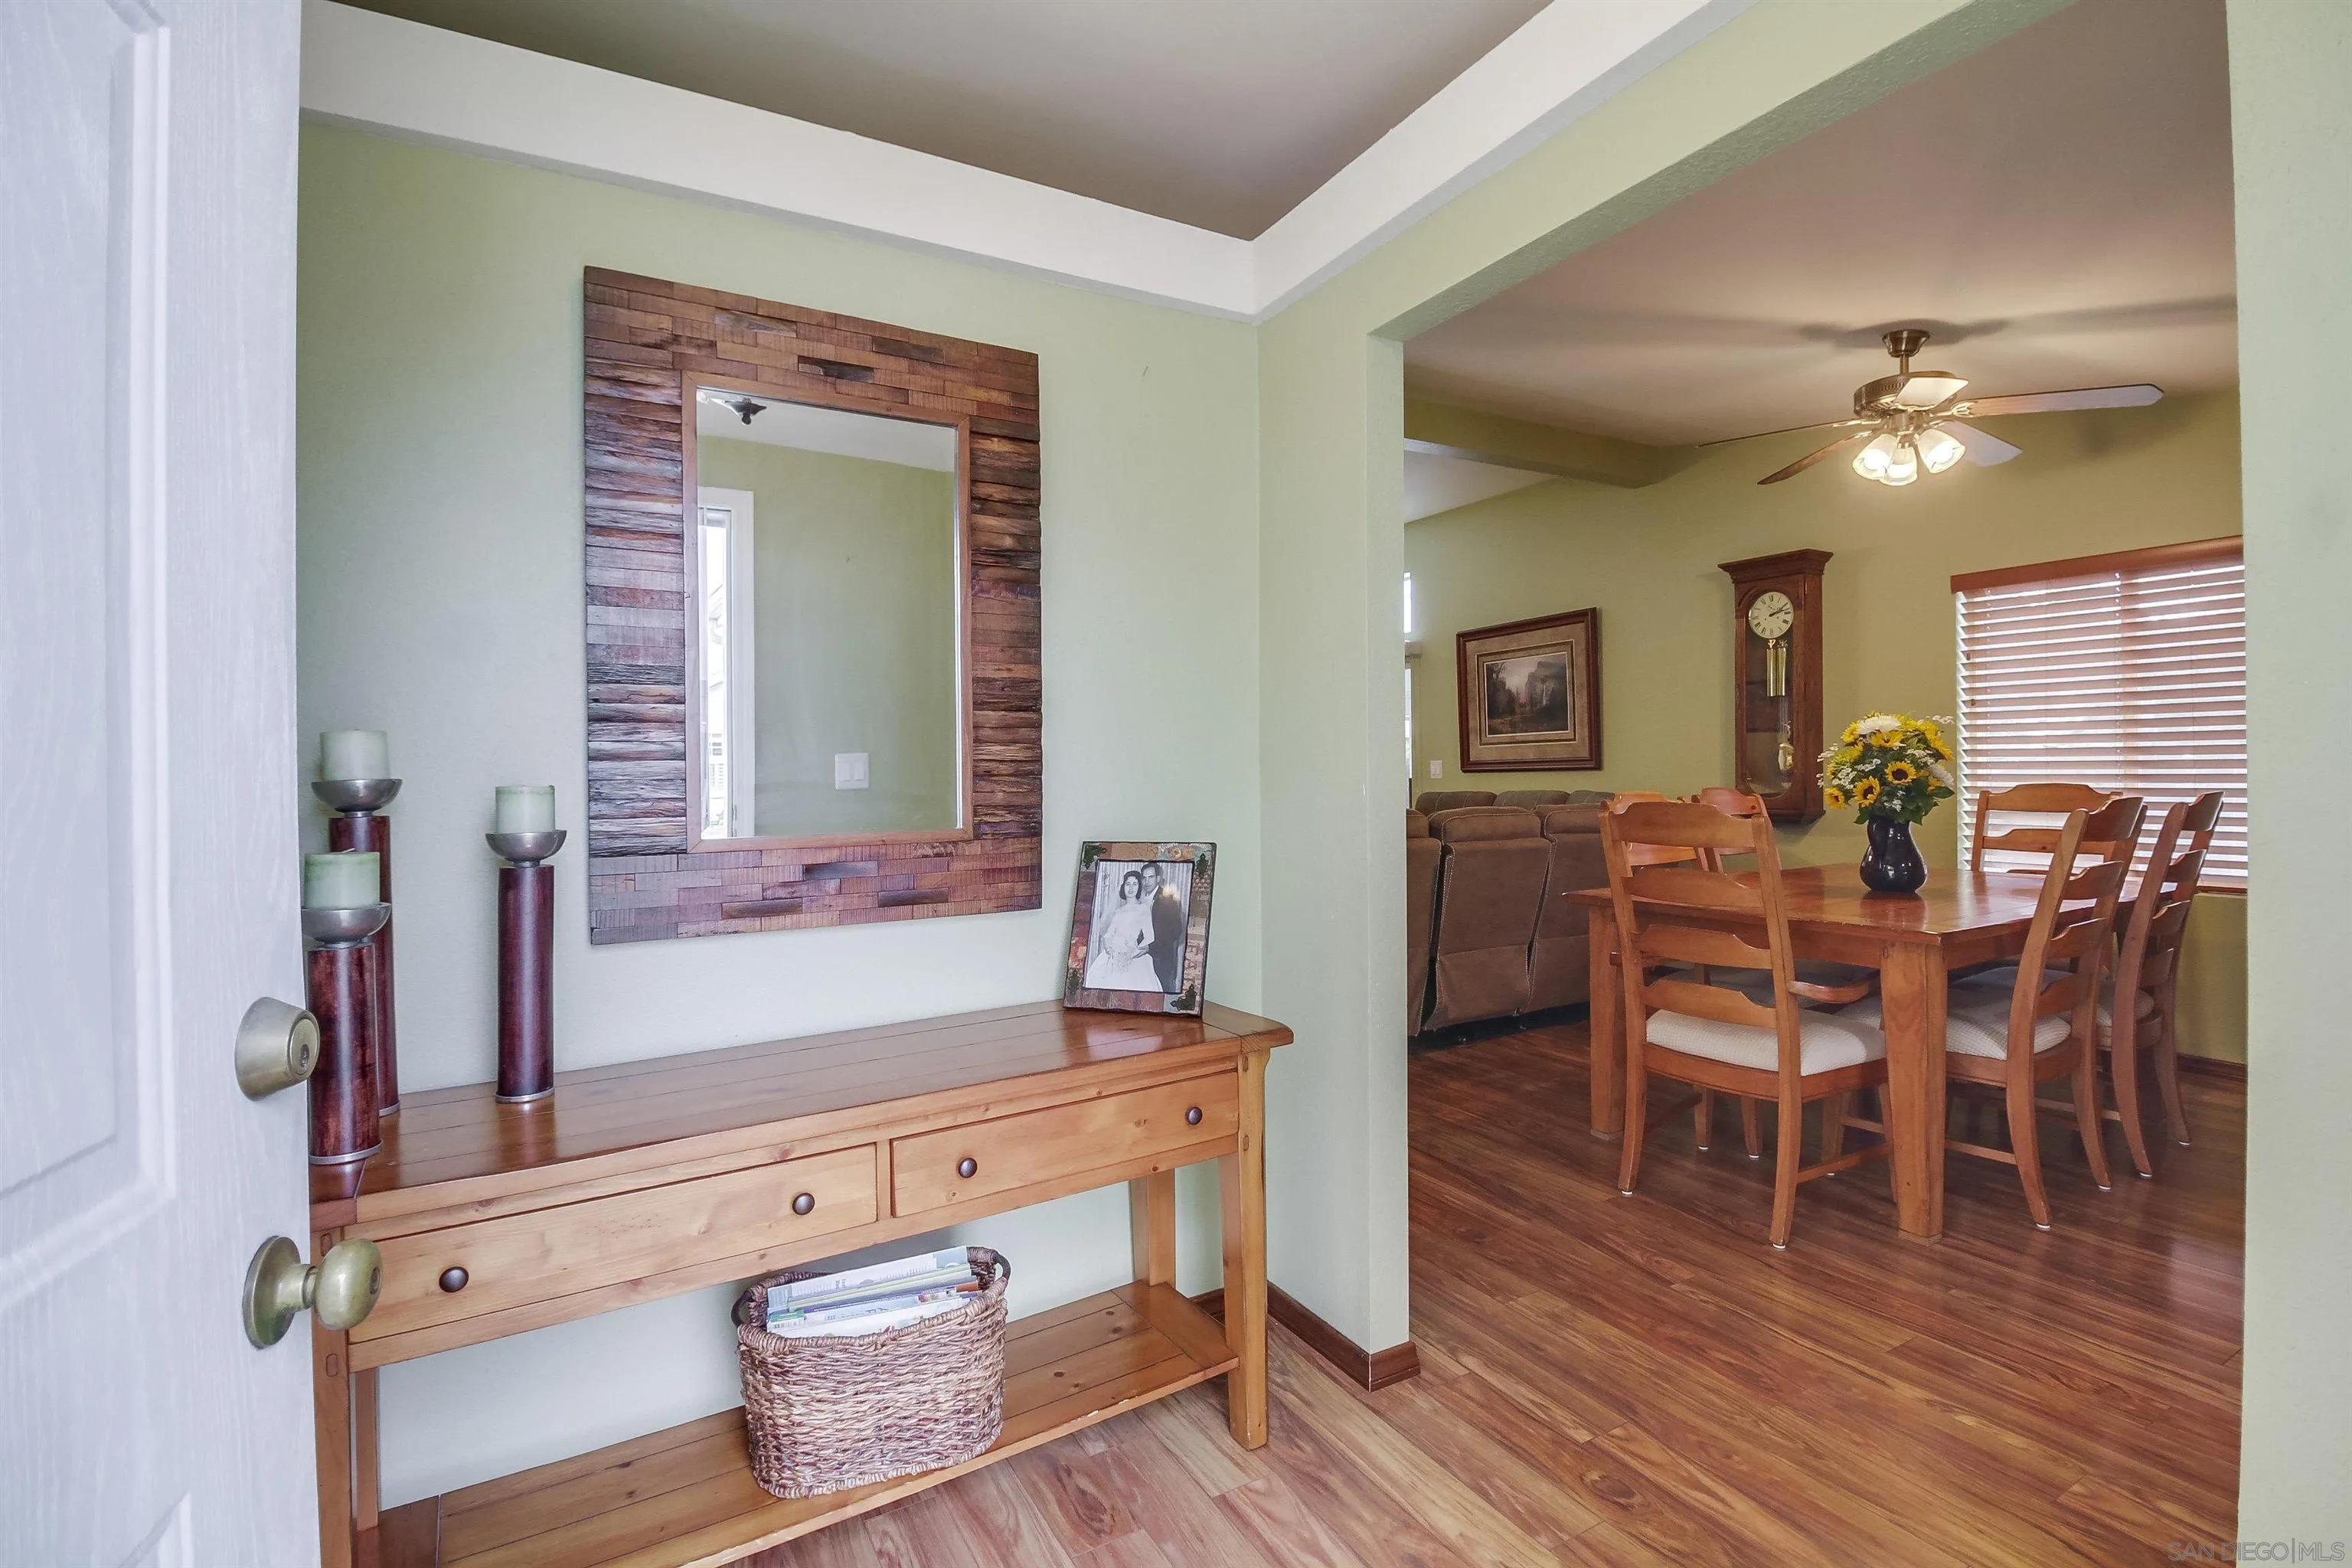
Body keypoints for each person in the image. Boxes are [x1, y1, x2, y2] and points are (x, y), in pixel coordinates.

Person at [1085, 869, 1161, 990]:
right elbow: (1109, 934)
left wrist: (1132, 952)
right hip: (1113, 954)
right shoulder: (1119, 911)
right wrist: (1108, 948)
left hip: (1132, 955)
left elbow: (1150, 937)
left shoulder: (1143, 909)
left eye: (1135, 884)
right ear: (1123, 887)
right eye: (1128, 884)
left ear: (1139, 887)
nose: (1131, 888)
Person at [1140, 861, 1186, 994]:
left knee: (1162, 995)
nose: (1147, 882)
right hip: (1141, 959)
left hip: (1161, 960)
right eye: (1144, 878)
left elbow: (1175, 931)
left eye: (1151, 877)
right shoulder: (1140, 898)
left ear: (1158, 879)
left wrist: (1151, 947)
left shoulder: (1168, 899)